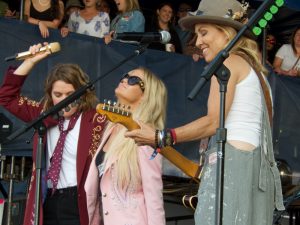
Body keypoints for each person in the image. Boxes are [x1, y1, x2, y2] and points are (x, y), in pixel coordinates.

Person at [125, 0, 285, 225]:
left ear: (226, 33)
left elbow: (213, 123)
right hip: (252, 174)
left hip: (233, 165)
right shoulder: (256, 71)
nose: (197, 42)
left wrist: (160, 137)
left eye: (203, 33)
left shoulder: (228, 62)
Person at [0, 43, 106, 225]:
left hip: (78, 201)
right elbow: (7, 97)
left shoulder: (96, 119)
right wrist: (30, 62)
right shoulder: (44, 114)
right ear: (50, 94)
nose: (64, 101)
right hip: (46, 199)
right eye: (58, 94)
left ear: (82, 93)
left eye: (70, 94)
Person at [84, 67, 167, 225]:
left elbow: (154, 198)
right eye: (125, 76)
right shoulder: (111, 128)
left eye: (133, 80)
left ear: (146, 96)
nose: (124, 80)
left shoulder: (146, 137)